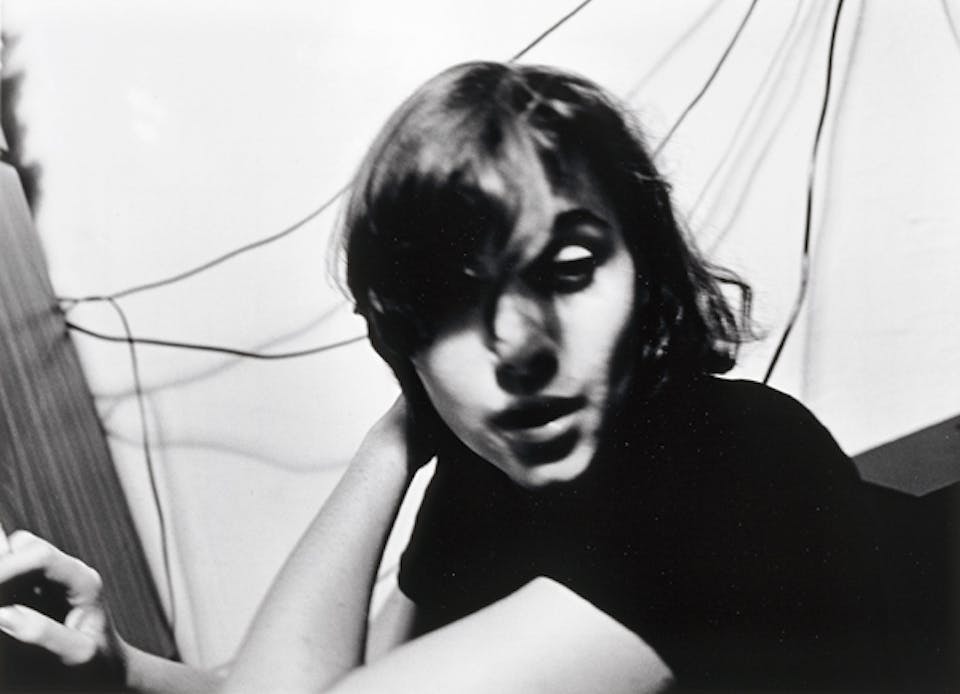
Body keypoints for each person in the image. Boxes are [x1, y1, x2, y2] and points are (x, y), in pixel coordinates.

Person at [0, 62, 892, 692]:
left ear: (648, 275)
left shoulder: (737, 465)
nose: (519, 343)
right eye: (449, 299)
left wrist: (399, 430)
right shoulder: (488, 487)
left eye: (568, 270)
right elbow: (297, 682)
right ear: (400, 336)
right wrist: (125, 672)